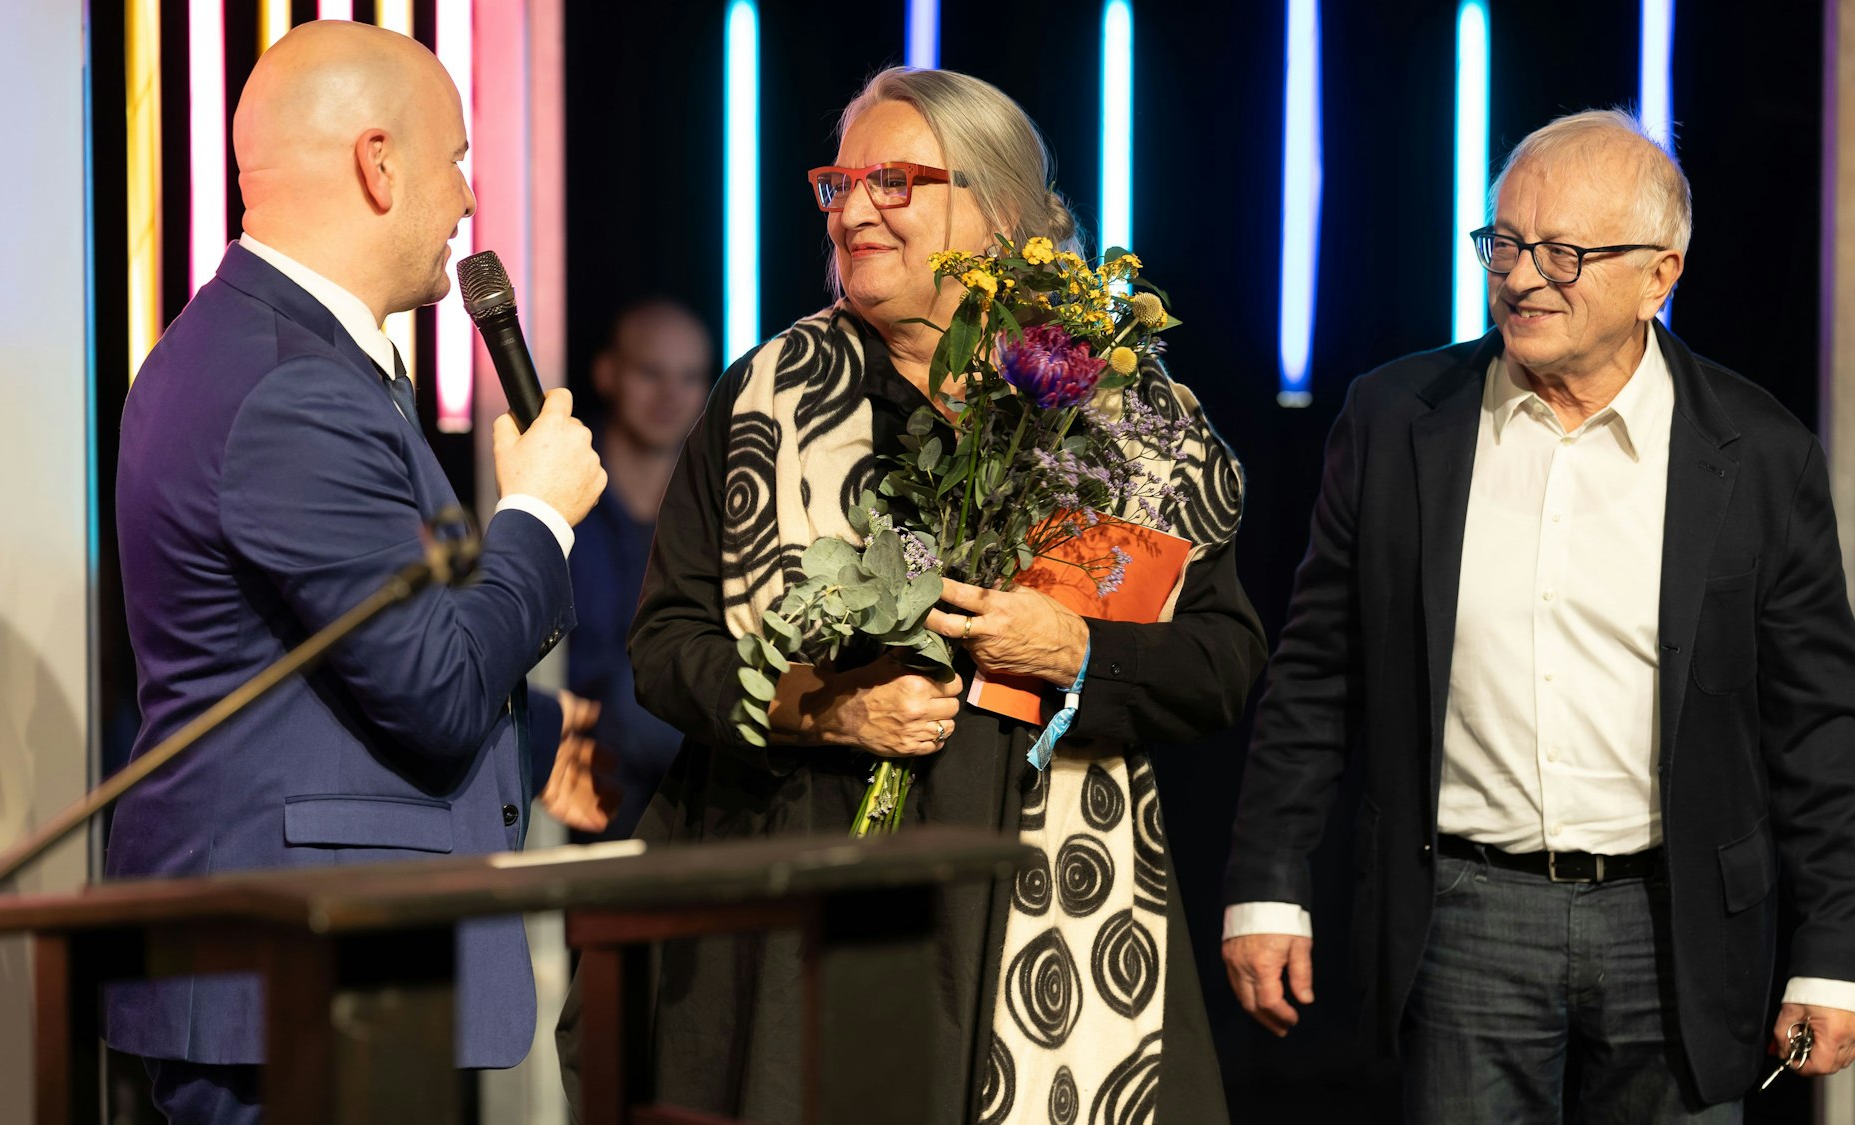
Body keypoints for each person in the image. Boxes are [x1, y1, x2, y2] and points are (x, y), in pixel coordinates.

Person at [585, 67, 1266, 1122]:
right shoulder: (767, 394)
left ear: (996, 211)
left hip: (1047, 895)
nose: (854, 209)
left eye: (894, 181)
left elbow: (1222, 660)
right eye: (841, 182)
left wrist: (1076, 651)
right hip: (801, 896)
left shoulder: (1126, 417)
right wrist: (824, 706)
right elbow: (666, 647)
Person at [1222, 109, 1855, 1122]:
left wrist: (1832, 952)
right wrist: (1265, 882)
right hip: (1464, 914)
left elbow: (1817, 725)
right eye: (1503, 244)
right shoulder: (1395, 421)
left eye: (1562, 253)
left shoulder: (1756, 451)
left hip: (1678, 920)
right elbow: (1314, 673)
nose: (1519, 278)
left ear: (1659, 274)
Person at [104, 21, 609, 1123]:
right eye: (455, 160)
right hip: (305, 977)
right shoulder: (289, 384)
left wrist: (537, 735)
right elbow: (428, 691)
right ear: (379, 165)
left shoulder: (261, 353)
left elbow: (332, 668)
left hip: (317, 970)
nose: (468, 200)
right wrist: (536, 515)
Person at [565, 299, 713, 839]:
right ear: (608, 373)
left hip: (682, 781)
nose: (671, 395)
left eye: (691, 376)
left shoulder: (724, 506)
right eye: (651, 372)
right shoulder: (556, 480)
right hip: (565, 770)